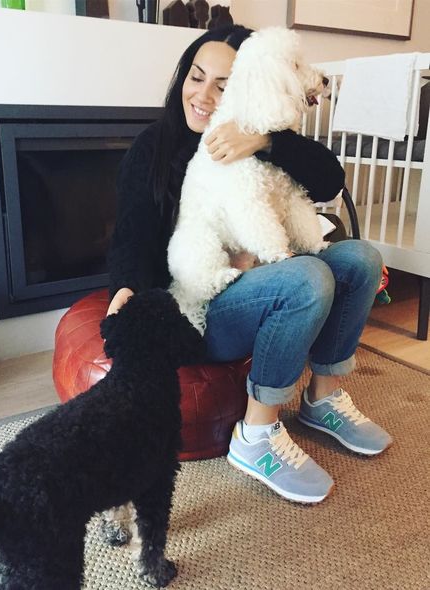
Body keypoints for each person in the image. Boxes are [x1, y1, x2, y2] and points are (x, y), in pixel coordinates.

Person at [107, 25, 392, 504]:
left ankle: (323, 398)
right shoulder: (153, 147)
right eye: (196, 77)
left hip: (262, 279)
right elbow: (130, 239)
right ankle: (257, 435)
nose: (203, 96)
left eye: (222, 85)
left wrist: (263, 141)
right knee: (307, 276)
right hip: (202, 301)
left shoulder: (265, 133)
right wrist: (125, 291)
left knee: (361, 258)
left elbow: (329, 181)